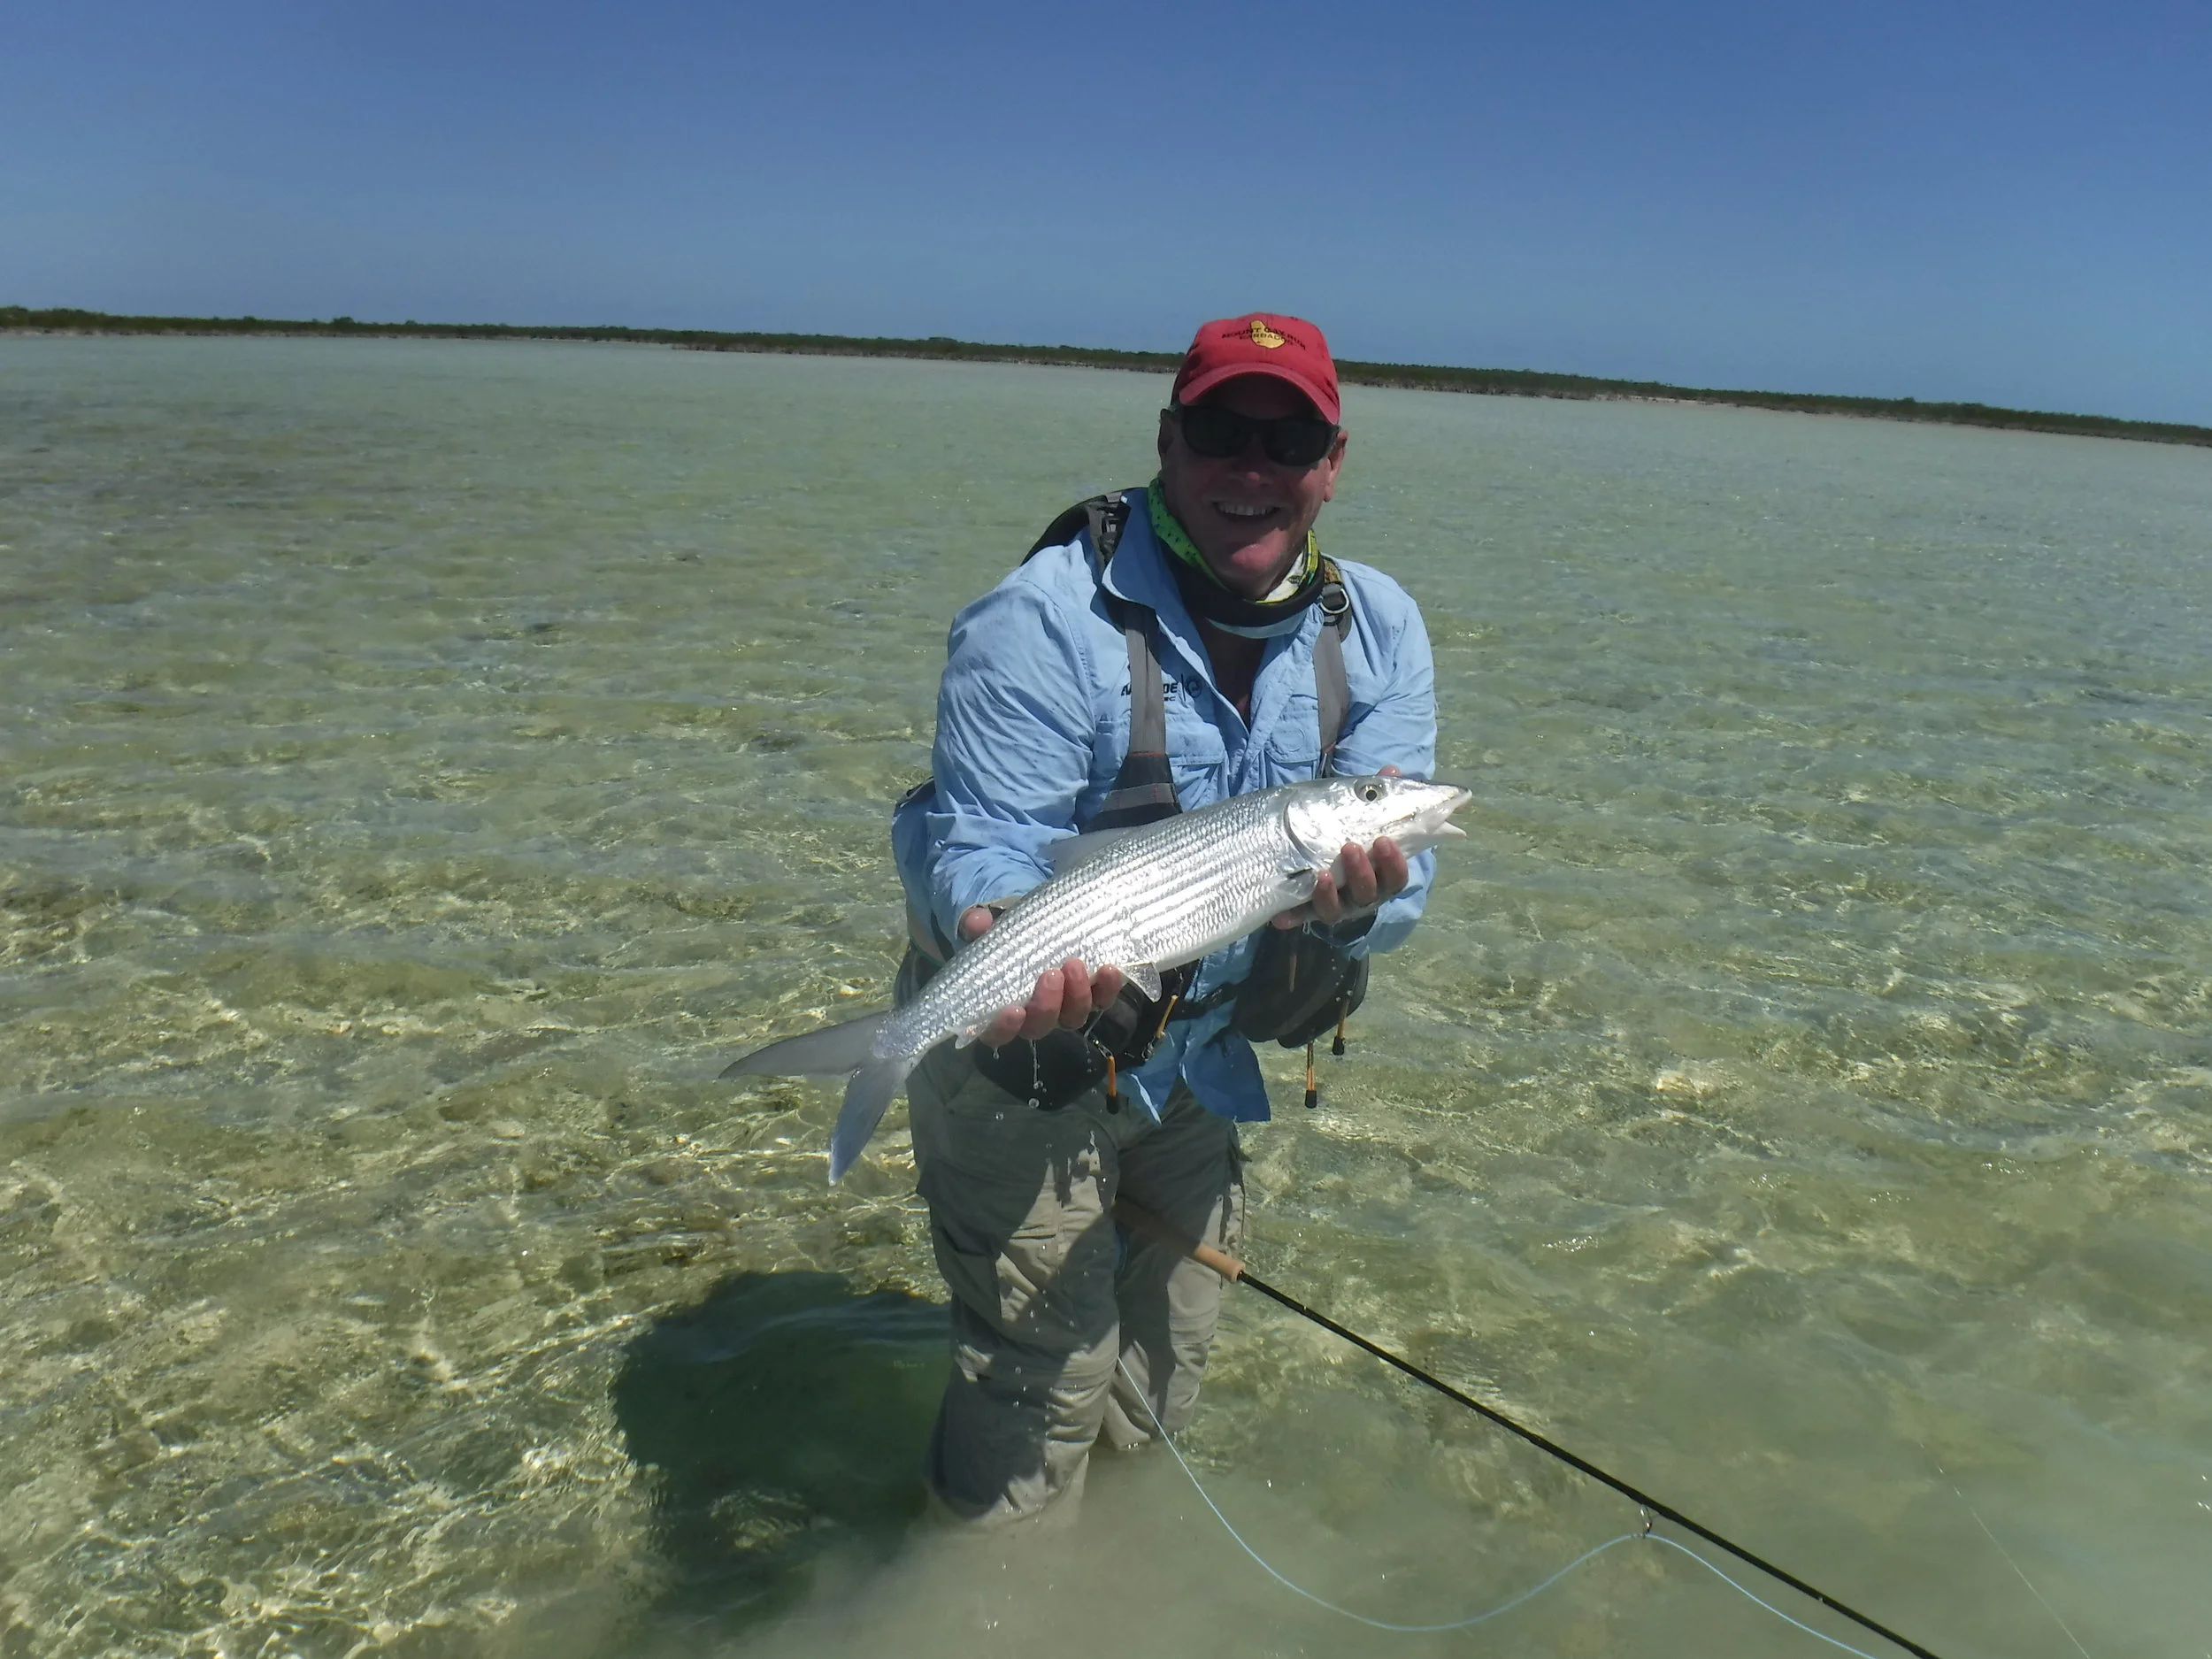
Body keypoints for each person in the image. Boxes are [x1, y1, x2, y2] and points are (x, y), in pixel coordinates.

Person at [890, 312, 1440, 1526]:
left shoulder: (1382, 628)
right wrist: (993, 928)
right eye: (1221, 432)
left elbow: (1406, 873)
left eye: (1287, 436)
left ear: (1332, 460)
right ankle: (995, 1589)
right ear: (1166, 439)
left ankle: (1119, 1550)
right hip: (1023, 1049)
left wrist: (1364, 914)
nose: (1254, 467)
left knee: (1166, 1361)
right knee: (1043, 1378)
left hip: (1202, 1062)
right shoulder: (1033, 624)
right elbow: (976, 837)